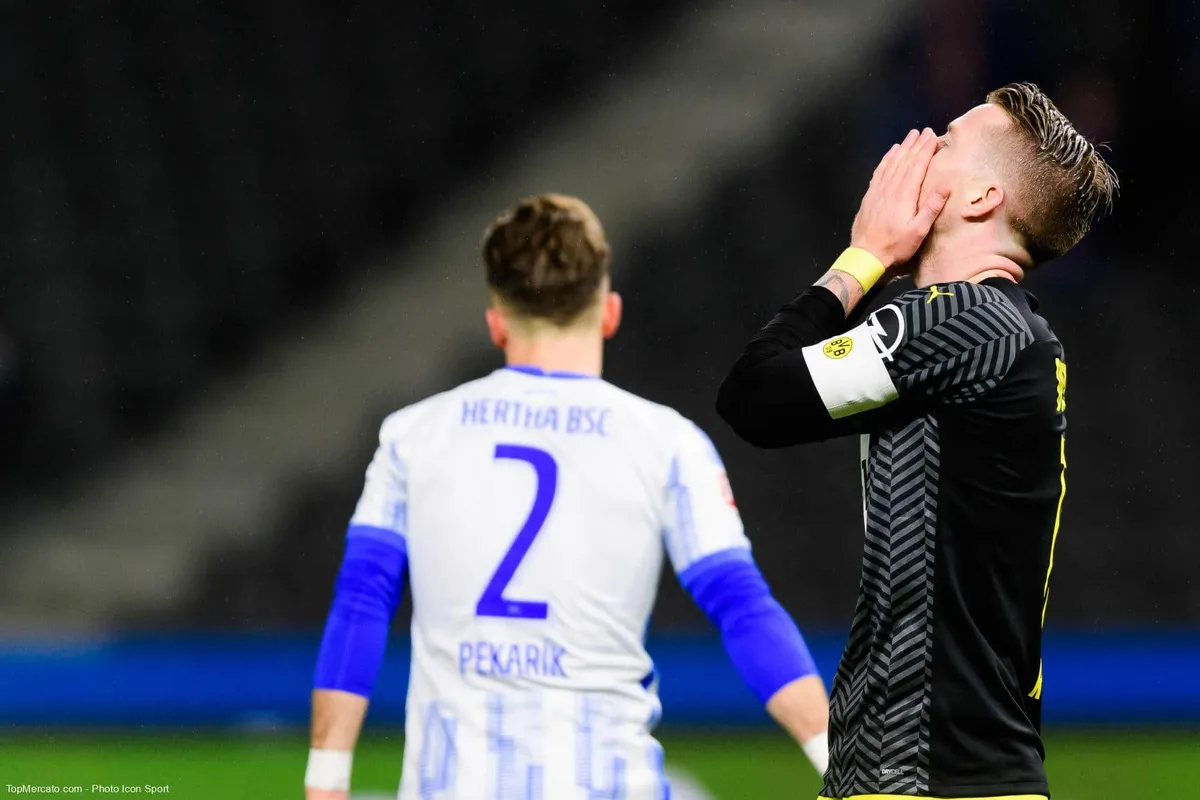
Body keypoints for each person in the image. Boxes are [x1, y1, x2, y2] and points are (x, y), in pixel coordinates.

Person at [305, 194, 831, 799]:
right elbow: (742, 608)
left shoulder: (413, 435)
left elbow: (361, 603)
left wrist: (326, 781)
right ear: (609, 313)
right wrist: (838, 763)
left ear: (496, 321)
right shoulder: (665, 443)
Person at [715, 83, 1117, 800]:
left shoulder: (965, 320)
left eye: (948, 141)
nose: (919, 146)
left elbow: (755, 398)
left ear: (980, 198)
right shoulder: (994, 329)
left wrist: (861, 256)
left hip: (928, 777)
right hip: (949, 774)